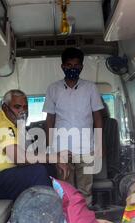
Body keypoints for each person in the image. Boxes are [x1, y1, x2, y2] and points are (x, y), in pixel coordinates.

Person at [0, 89, 71, 201]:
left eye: (25, 107)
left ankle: (55, 204)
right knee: (37, 172)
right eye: (17, 107)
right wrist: (54, 158)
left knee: (47, 167)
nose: (23, 111)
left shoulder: (16, 125)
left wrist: (53, 157)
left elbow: (28, 155)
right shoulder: (1, 125)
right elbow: (20, 159)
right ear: (5, 108)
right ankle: (45, 211)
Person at [43, 47, 104, 204]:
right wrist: (50, 148)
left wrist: (99, 144)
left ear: (82, 67)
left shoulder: (91, 88)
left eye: (76, 65)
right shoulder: (53, 88)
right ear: (62, 66)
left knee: (85, 191)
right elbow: (49, 119)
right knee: (65, 191)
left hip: (86, 149)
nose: (72, 69)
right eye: (69, 65)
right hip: (62, 150)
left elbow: (98, 117)